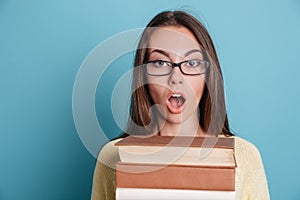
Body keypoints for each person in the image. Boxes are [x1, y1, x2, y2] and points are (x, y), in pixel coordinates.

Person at [91, 10, 270, 200]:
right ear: (142, 75)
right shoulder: (112, 155)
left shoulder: (243, 156)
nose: (176, 78)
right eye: (160, 62)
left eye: (192, 62)